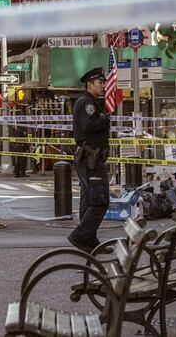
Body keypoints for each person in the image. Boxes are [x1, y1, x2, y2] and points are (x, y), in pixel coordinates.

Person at [67, 66, 111, 253]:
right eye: (100, 83)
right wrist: (105, 119)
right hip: (91, 158)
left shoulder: (89, 101)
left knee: (89, 200)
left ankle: (89, 240)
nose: (103, 86)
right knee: (100, 201)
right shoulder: (87, 103)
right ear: (90, 83)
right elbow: (88, 126)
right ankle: (80, 235)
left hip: (89, 158)